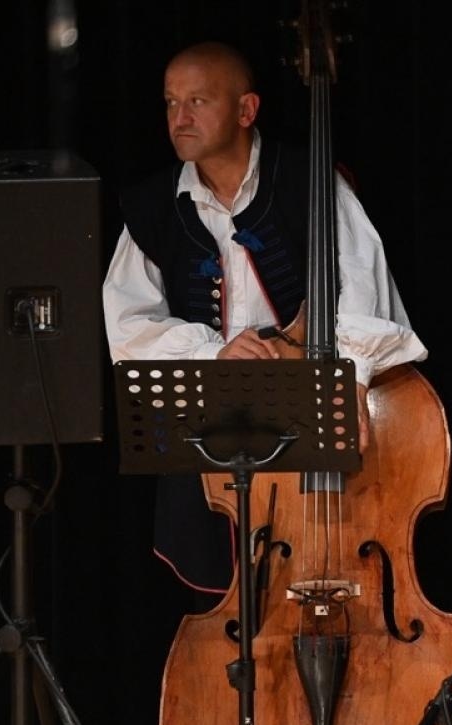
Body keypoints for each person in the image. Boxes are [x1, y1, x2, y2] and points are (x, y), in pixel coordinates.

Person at [102, 41, 424, 593]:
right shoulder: (153, 207)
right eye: (171, 102)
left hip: (313, 422)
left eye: (198, 101)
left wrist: (346, 378)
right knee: (225, 593)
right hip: (213, 439)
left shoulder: (310, 181)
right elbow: (129, 328)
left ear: (246, 110)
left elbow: (367, 290)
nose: (180, 118)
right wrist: (213, 354)